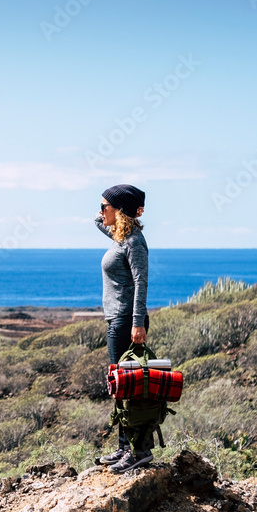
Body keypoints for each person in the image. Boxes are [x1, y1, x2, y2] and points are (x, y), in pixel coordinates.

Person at [94, 184, 152, 474]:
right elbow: (98, 221)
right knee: (121, 388)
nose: (101, 210)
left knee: (130, 388)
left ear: (119, 211)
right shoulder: (121, 237)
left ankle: (139, 450)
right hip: (117, 319)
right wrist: (104, 212)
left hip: (127, 320)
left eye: (105, 205)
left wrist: (138, 322)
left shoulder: (133, 243)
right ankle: (124, 447)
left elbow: (142, 282)